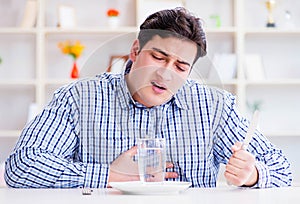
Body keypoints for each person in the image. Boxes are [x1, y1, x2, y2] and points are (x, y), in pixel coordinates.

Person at [5, 7, 292, 188]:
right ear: (134, 51)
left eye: (180, 67)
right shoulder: (77, 98)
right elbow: (22, 166)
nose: (166, 74)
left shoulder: (214, 106)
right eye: (158, 57)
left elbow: (282, 170)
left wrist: (252, 174)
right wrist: (113, 175)